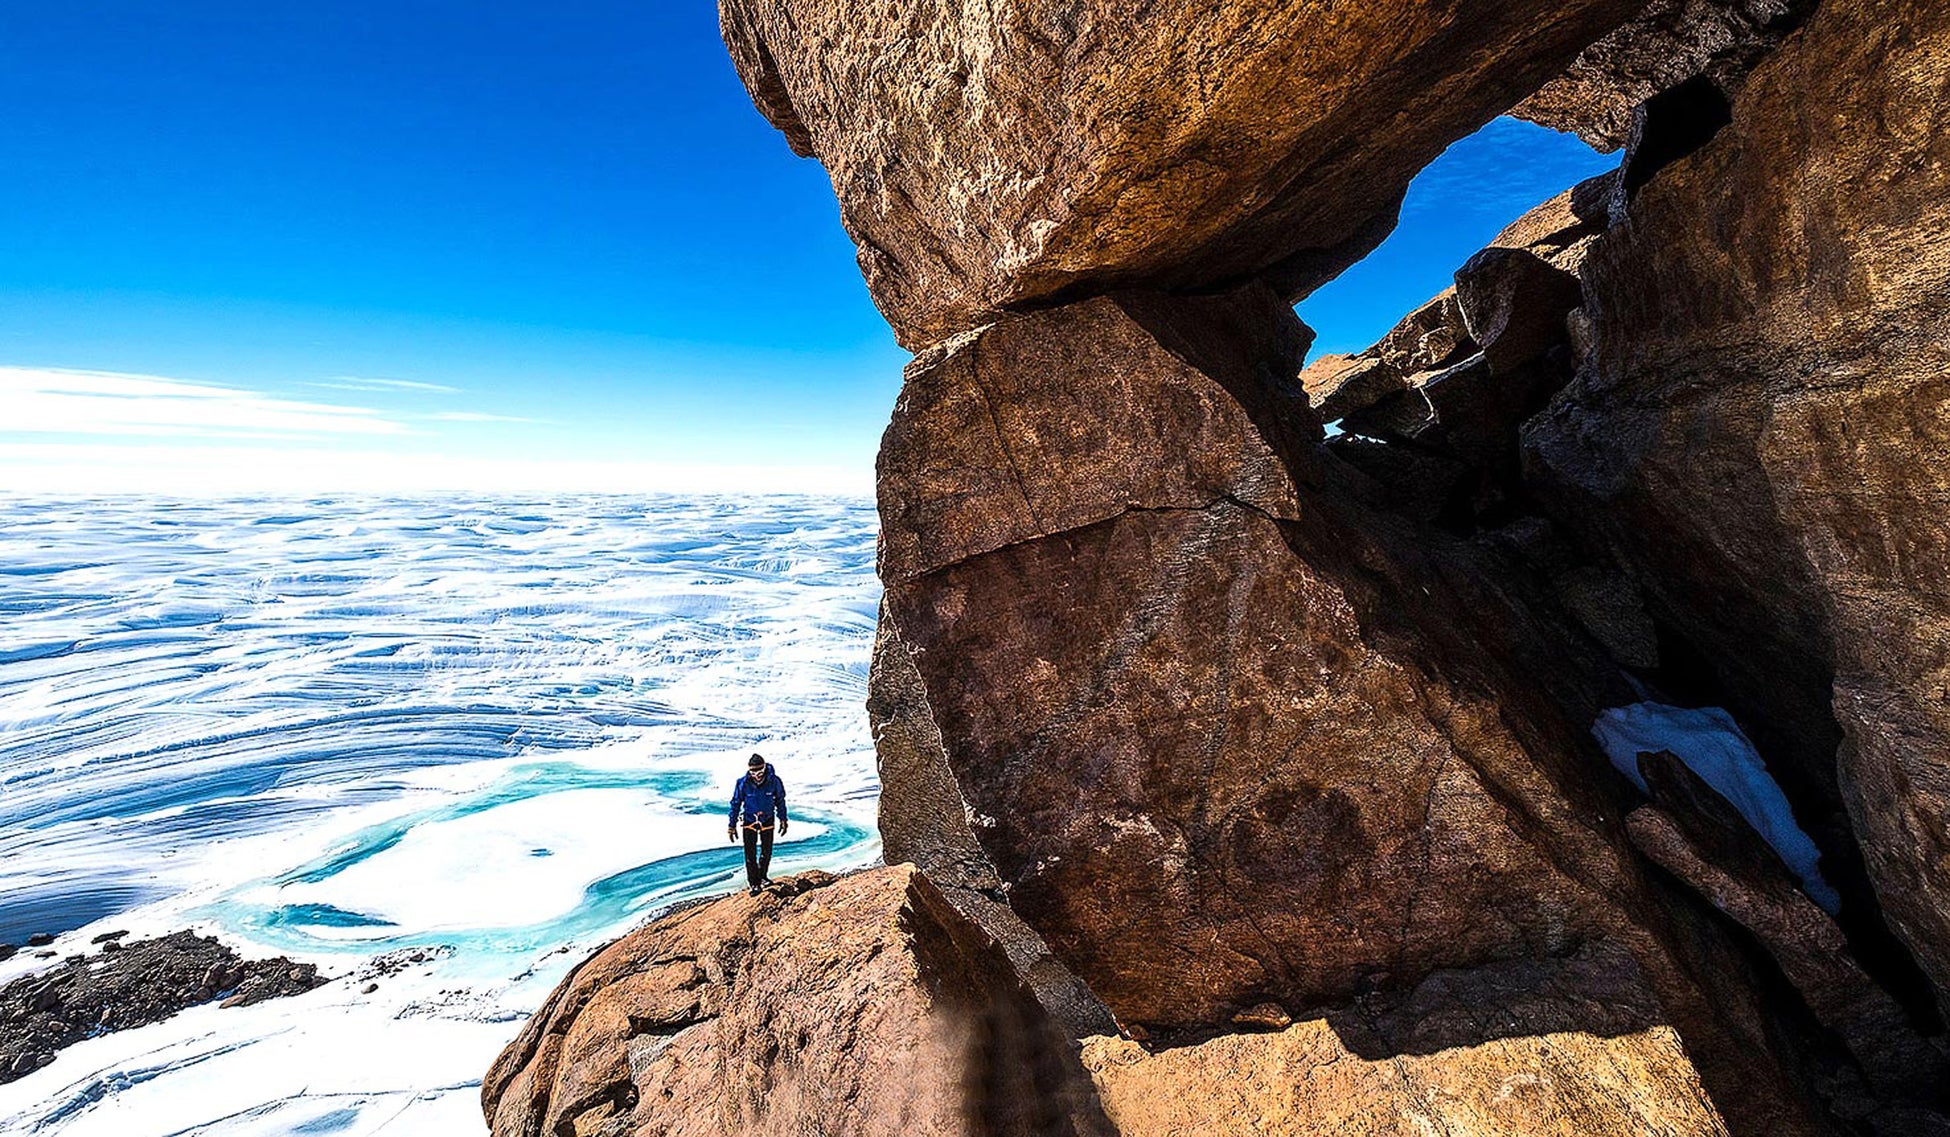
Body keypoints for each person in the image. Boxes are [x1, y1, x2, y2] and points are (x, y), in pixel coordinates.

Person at [728, 752, 788, 895]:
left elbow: (780, 800)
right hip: (749, 821)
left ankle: (762, 876)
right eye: (753, 771)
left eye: (759, 771)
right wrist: (731, 825)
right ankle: (754, 884)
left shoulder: (774, 781)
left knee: (766, 851)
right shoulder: (742, 783)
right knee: (750, 854)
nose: (757, 775)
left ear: (765, 767)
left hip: (767, 820)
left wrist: (783, 819)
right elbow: (735, 803)